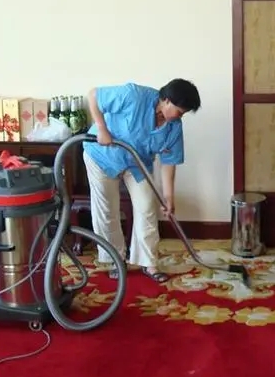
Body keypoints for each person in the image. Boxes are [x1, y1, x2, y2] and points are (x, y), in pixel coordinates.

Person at [83, 79, 201, 283]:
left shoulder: (174, 127)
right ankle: (115, 260)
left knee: (147, 206)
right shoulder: (134, 95)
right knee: (107, 209)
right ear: (166, 100)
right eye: (179, 112)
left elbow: (168, 163)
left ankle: (149, 262)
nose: (180, 117)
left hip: (136, 163)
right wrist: (102, 129)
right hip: (102, 155)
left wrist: (168, 197)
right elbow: (93, 95)